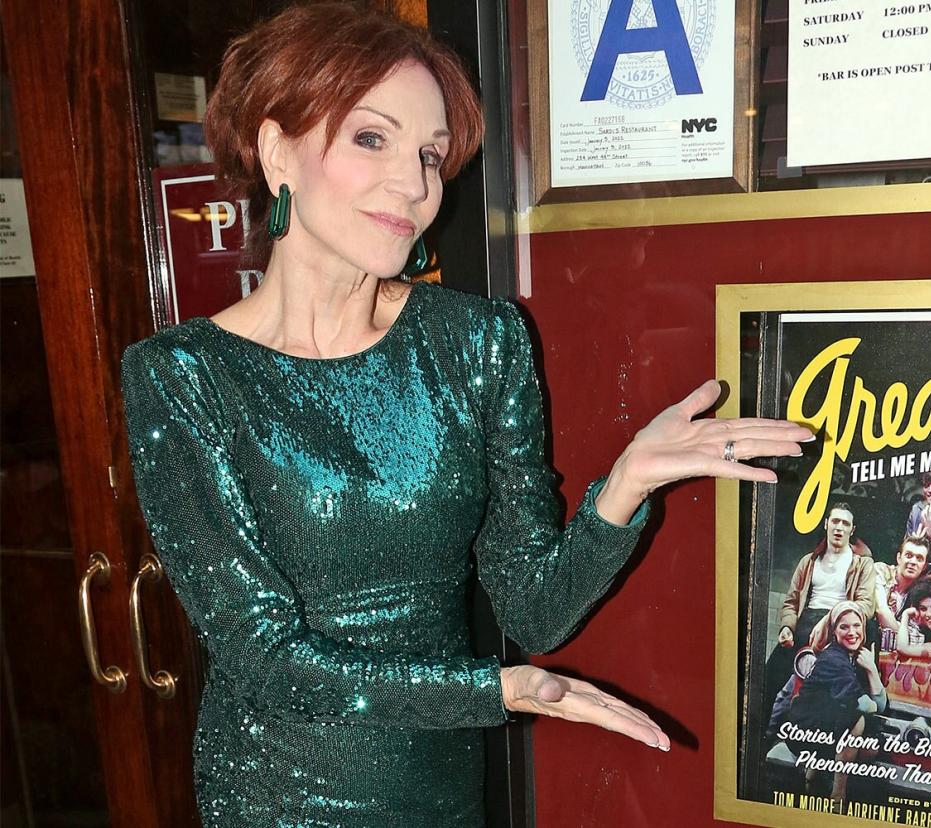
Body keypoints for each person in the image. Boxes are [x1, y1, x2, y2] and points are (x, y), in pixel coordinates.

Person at [119, 6, 812, 825]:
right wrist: (499, 688)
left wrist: (625, 489)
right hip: (276, 792)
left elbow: (535, 612)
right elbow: (262, 656)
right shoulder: (184, 376)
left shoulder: (479, 342)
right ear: (278, 152)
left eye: (430, 155)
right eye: (370, 139)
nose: (414, 186)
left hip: (439, 786)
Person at [762, 503, 875, 732]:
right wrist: (787, 626)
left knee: (826, 684)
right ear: (826, 524)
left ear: (852, 530)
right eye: (835, 521)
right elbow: (792, 601)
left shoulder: (862, 563)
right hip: (805, 623)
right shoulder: (809, 561)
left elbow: (865, 605)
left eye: (845, 523)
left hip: (839, 625)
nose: (839, 528)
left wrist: (831, 617)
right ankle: (759, 737)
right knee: (767, 679)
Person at [784, 601, 886, 799]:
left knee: (871, 747)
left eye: (857, 626)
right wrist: (874, 696)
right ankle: (837, 795)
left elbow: (876, 705)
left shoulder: (853, 656)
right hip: (802, 730)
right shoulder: (834, 659)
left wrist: (872, 670)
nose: (852, 632)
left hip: (822, 727)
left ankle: (814, 773)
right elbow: (871, 706)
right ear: (834, 631)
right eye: (844, 627)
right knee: (857, 720)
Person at [873, 534, 931, 632]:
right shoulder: (881, 571)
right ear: (899, 558)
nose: (913, 562)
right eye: (908, 556)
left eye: (919, 558)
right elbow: (881, 610)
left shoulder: (920, 594)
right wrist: (902, 638)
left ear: (924, 566)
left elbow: (914, 632)